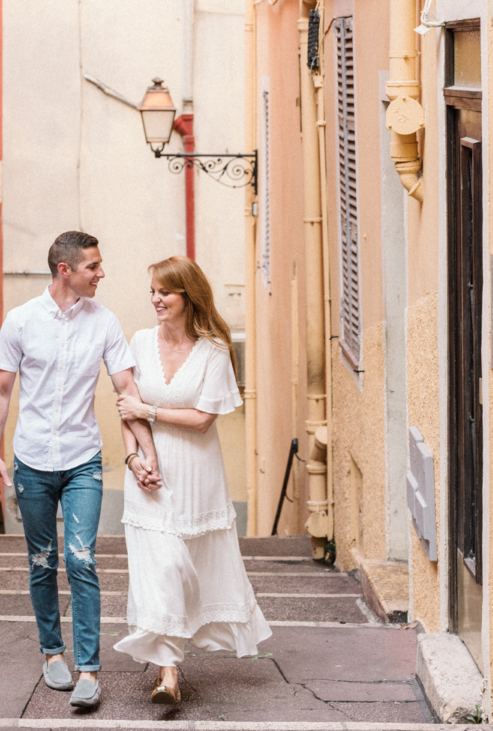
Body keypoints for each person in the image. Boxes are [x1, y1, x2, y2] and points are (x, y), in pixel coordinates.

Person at [0, 231, 160, 710]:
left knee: (81, 559)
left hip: (83, 458)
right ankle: (52, 653)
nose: (101, 273)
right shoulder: (21, 321)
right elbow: (0, 391)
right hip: (32, 460)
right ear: (65, 270)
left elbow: (127, 390)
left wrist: (147, 452)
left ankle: (88, 669)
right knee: (42, 561)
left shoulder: (104, 322)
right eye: (93, 266)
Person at [113, 254, 271, 705]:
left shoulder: (215, 350)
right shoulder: (140, 342)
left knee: (188, 565)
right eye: (153, 292)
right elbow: (126, 407)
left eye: (165, 292)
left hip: (197, 472)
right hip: (148, 475)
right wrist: (132, 457)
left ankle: (173, 656)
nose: (156, 299)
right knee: (162, 565)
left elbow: (204, 419)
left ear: (188, 296)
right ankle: (167, 673)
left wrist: (151, 412)